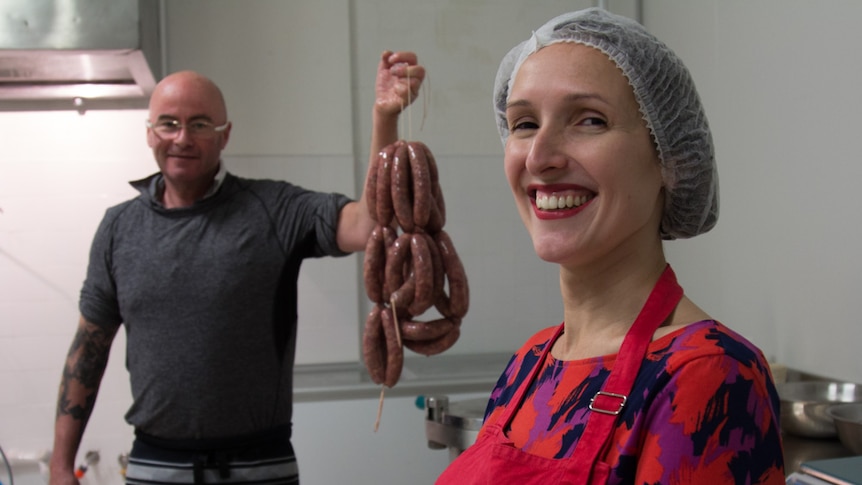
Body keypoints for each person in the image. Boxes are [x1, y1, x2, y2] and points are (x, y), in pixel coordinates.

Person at [436, 8, 784, 485]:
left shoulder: (707, 373)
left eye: (590, 120)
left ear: (670, 158)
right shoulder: (534, 360)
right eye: (523, 124)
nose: (540, 156)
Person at [48, 50, 425, 485]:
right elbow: (87, 351)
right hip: (155, 466)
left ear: (225, 136)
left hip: (259, 466)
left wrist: (384, 117)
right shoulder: (119, 228)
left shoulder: (273, 209)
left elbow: (368, 225)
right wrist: (61, 465)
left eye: (201, 124)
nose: (183, 138)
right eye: (169, 123)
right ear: (150, 133)